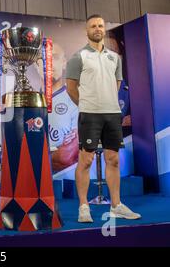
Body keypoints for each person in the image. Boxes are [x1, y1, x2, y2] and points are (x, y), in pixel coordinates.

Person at [66, 14, 141, 223]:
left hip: (112, 114)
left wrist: (107, 102)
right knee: (86, 160)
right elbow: (71, 88)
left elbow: (116, 84)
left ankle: (116, 205)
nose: (97, 29)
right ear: (87, 30)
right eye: (93, 26)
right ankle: (83, 207)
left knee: (113, 159)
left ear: (103, 29)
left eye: (100, 25)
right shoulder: (78, 57)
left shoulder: (114, 58)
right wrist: (87, 105)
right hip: (89, 114)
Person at [36, 43, 79, 173]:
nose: (48, 63)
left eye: (54, 57)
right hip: (34, 184)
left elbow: (64, 159)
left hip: (63, 182)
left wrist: (32, 159)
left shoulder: (75, 99)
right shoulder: (28, 103)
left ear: (64, 62)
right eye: (43, 58)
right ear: (36, 65)